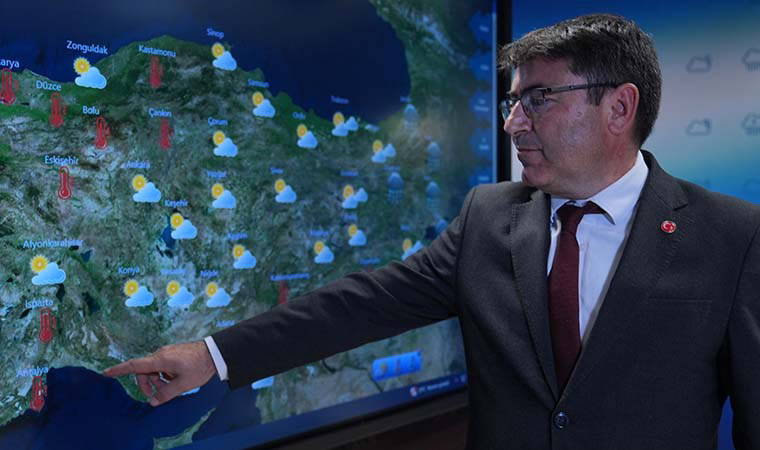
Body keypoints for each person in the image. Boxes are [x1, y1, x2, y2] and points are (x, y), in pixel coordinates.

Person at [105, 14, 760, 449]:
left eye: (538, 99)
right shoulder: (489, 218)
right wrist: (213, 356)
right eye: (512, 102)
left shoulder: (732, 236)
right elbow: (361, 305)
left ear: (619, 106)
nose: (513, 124)